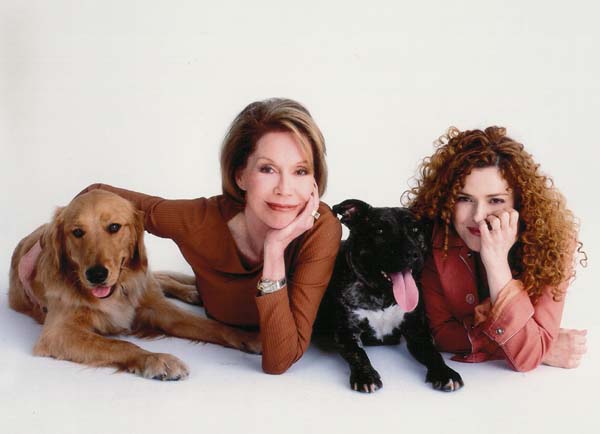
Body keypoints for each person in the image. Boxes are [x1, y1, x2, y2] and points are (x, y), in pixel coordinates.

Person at [80, 98, 342, 374]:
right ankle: (169, 282)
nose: (285, 188)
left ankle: (167, 281)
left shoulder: (320, 229)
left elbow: (278, 361)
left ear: (314, 179)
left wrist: (274, 250)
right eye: (268, 169)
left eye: (300, 171)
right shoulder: (200, 221)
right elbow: (95, 193)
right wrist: (42, 244)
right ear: (240, 175)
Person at [404, 126, 587, 372]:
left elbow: (527, 357)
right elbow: (442, 334)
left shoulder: (553, 243)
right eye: (464, 198)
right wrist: (538, 344)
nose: (478, 216)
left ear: (520, 203)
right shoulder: (435, 237)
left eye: (496, 200)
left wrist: (497, 264)